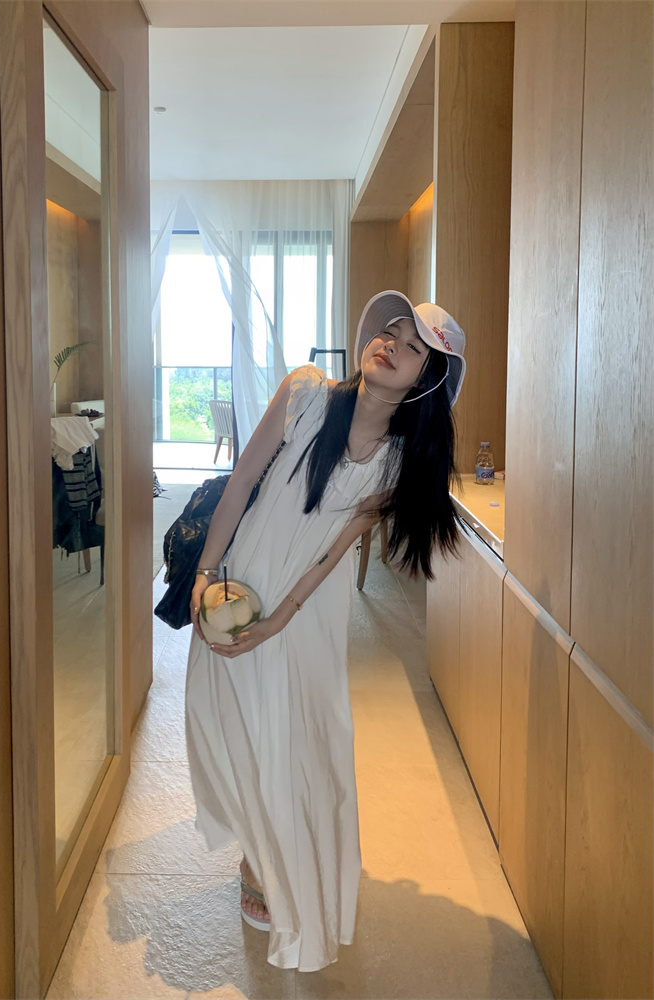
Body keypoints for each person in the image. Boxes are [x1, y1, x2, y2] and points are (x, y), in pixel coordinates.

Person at [184, 290, 467, 973]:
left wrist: (282, 618)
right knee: (228, 712)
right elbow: (241, 481)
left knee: (299, 727)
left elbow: (335, 551)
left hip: (306, 604)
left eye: (413, 346)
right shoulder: (306, 393)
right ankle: (256, 839)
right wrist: (206, 572)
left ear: (426, 380)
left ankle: (267, 857)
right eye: (390, 331)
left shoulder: (396, 464)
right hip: (241, 578)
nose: (391, 344)